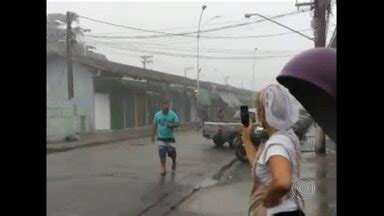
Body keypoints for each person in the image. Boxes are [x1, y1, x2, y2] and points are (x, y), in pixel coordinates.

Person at [242, 84, 305, 216]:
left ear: (263, 113)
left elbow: (282, 182)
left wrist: (267, 201)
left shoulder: (276, 144)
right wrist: (246, 140)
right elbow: (261, 167)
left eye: (259, 108)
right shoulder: (288, 137)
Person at [151, 100, 180, 176]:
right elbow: (154, 125)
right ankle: (163, 169)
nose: (165, 110)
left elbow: (177, 123)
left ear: (168, 107)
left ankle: (174, 162)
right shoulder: (157, 115)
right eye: (164, 108)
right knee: (162, 154)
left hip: (170, 138)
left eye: (167, 108)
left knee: (172, 154)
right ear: (162, 107)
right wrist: (152, 136)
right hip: (161, 138)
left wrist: (172, 126)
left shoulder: (173, 114)